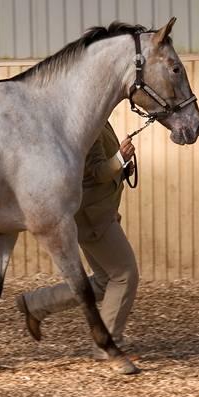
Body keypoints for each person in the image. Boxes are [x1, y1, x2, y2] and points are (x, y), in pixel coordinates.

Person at [16, 121, 140, 360]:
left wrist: (121, 168)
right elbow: (94, 171)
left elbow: (99, 169)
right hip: (93, 215)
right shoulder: (88, 123)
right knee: (125, 275)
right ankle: (108, 346)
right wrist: (120, 158)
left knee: (105, 282)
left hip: (96, 211)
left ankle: (36, 303)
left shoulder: (97, 117)